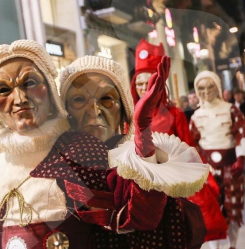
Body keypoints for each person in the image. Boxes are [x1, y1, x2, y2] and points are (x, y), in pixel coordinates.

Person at [0, 40, 208, 249]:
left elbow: (134, 218)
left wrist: (142, 138)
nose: (19, 99)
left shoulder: (79, 156)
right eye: (3, 89)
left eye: (29, 83)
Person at [59, 55, 208, 248]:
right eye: (80, 99)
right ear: (66, 110)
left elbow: (145, 215)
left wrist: (143, 140)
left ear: (123, 109)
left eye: (106, 99)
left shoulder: (128, 154)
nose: (94, 111)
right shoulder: (60, 161)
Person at [131, 39, 227, 243]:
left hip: (171, 184)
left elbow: (189, 149)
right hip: (140, 186)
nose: (141, 88)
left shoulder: (173, 113)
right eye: (138, 82)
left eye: (146, 82)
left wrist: (204, 178)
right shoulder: (128, 114)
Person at [190, 71, 245, 249]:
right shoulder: (196, 116)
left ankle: (233, 245)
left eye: (210, 86)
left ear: (218, 87)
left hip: (231, 165)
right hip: (209, 171)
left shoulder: (231, 109)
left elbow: (241, 133)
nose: (206, 91)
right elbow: (192, 144)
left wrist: (241, 157)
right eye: (201, 88)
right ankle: (216, 247)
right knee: (211, 210)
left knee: (234, 209)